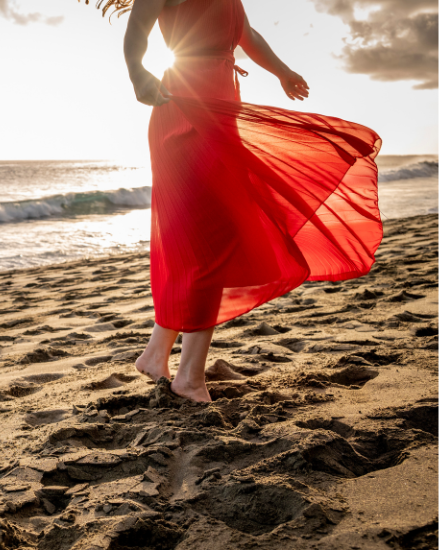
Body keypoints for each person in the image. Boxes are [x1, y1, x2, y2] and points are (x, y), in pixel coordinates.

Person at [99, 0, 382, 402]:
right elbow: (138, 29)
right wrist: (136, 73)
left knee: (207, 237)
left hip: (221, 107)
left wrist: (282, 72)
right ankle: (189, 378)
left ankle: (155, 354)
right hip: (183, 109)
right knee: (212, 237)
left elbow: (248, 35)